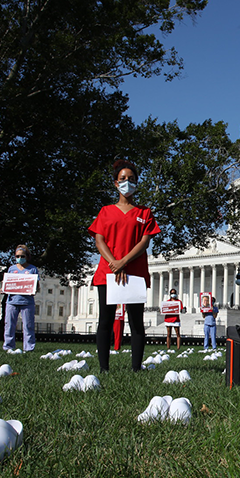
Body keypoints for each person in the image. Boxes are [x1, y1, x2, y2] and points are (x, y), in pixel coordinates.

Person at [89, 159, 161, 372]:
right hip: (108, 272)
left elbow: (145, 241)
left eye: (131, 179)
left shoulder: (144, 212)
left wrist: (123, 262)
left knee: (136, 322)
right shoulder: (105, 211)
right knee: (105, 321)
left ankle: (136, 368)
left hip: (134, 272)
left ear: (137, 183)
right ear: (115, 183)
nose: (126, 182)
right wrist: (113, 263)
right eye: (122, 179)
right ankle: (104, 368)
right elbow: (99, 239)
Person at [3, 245, 39, 353]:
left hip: (27, 302)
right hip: (12, 301)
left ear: (27, 256)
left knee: (28, 326)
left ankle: (29, 348)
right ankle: (8, 347)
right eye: (17, 256)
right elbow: (8, 283)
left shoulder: (33, 269)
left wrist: (33, 288)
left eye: (22, 256)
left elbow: (37, 286)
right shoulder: (11, 269)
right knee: (9, 325)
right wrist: (4, 288)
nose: (19, 258)